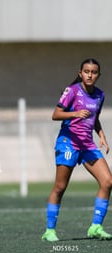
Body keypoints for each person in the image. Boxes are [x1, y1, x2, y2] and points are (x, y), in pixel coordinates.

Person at [42, 58, 112, 242]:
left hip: (87, 145)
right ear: (80, 73)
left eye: (94, 72)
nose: (90, 75)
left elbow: (94, 118)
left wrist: (102, 135)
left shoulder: (100, 95)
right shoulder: (72, 91)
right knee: (60, 187)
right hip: (68, 143)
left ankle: (96, 227)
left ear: (98, 75)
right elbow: (55, 114)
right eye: (87, 71)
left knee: (107, 181)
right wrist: (74, 113)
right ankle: (49, 231)